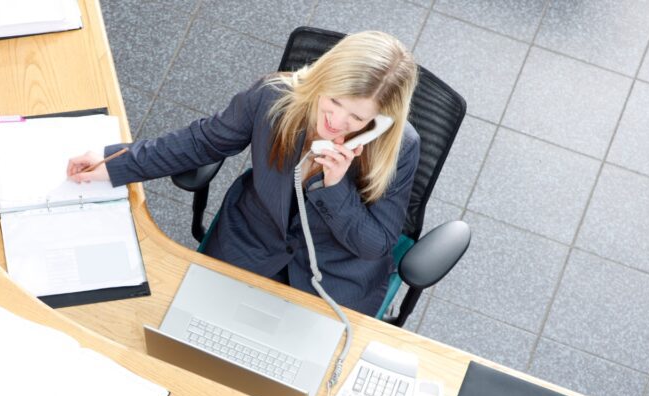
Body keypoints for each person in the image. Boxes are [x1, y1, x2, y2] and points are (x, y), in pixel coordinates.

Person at [68, 31, 420, 316]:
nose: (336, 122)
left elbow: (375, 245)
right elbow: (200, 142)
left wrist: (336, 187)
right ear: (322, 79)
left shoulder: (397, 146)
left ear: (379, 121)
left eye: (357, 118)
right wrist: (114, 164)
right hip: (251, 246)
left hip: (334, 280)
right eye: (334, 101)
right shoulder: (272, 98)